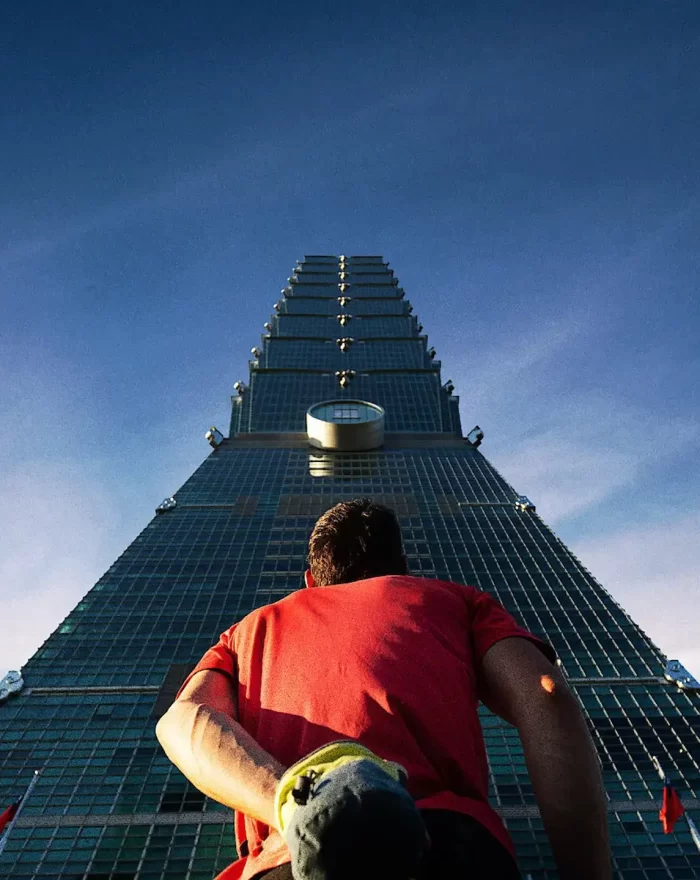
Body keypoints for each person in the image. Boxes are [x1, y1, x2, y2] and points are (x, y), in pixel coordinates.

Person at [156, 499, 611, 880]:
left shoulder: (248, 630)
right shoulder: (455, 601)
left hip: (287, 859)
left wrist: (298, 808)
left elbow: (183, 722)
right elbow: (546, 694)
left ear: (311, 581)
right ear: (403, 570)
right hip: (447, 847)